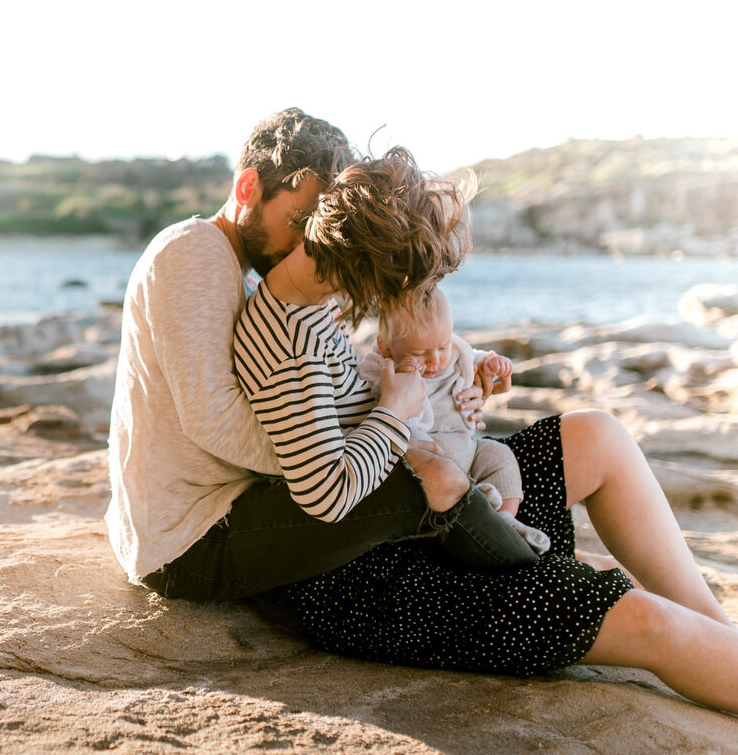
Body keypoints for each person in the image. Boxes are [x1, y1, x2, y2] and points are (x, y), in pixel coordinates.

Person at [106, 108, 738, 714]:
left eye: (321, 221)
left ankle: (713, 627)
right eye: (304, 219)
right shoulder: (194, 253)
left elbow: (339, 376)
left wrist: (445, 382)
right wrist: (392, 428)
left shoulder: (273, 284)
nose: (310, 240)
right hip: (220, 531)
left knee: (594, 437)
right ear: (250, 187)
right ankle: (551, 568)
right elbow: (227, 425)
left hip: (326, 513)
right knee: (584, 579)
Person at [356, 286, 548, 553]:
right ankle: (478, 511)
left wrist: (490, 365)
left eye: (443, 346)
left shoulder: (454, 351)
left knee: (499, 455)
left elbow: (472, 358)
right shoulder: (379, 368)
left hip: (467, 447)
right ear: (386, 345)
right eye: (421, 353)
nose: (436, 360)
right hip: (431, 460)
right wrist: (398, 380)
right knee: (430, 467)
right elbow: (371, 404)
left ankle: (504, 518)